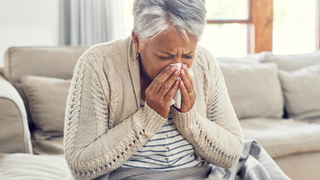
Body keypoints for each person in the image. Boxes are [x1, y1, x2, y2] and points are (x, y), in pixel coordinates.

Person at [64, 0, 289, 180]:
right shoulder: (98, 64)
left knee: (252, 159)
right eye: (164, 56)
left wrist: (189, 119)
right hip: (134, 175)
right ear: (137, 40)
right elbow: (81, 165)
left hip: (204, 173)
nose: (178, 66)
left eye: (188, 55)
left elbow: (231, 152)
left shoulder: (204, 62)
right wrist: (148, 117)